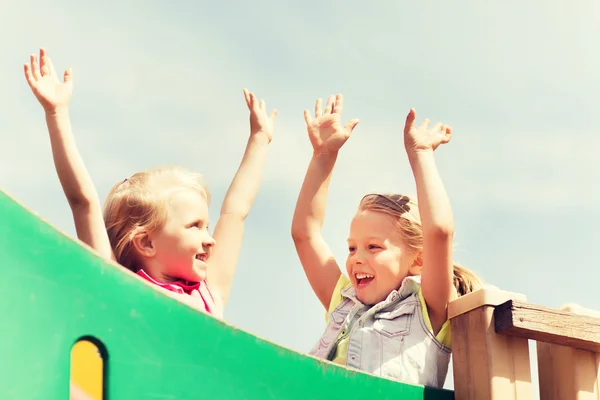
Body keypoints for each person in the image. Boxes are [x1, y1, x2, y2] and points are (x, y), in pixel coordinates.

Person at [24, 48, 276, 318]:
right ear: (146, 243)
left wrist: (259, 140)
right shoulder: (121, 286)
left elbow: (235, 212)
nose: (211, 240)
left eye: (207, 227)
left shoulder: (209, 293)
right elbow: (82, 202)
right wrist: (56, 113)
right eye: (195, 226)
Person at [291, 94, 481, 387]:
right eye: (352, 247)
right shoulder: (344, 301)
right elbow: (305, 234)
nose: (356, 258)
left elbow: (439, 232)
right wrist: (322, 156)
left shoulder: (428, 308)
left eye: (373, 247)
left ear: (418, 259)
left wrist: (421, 155)